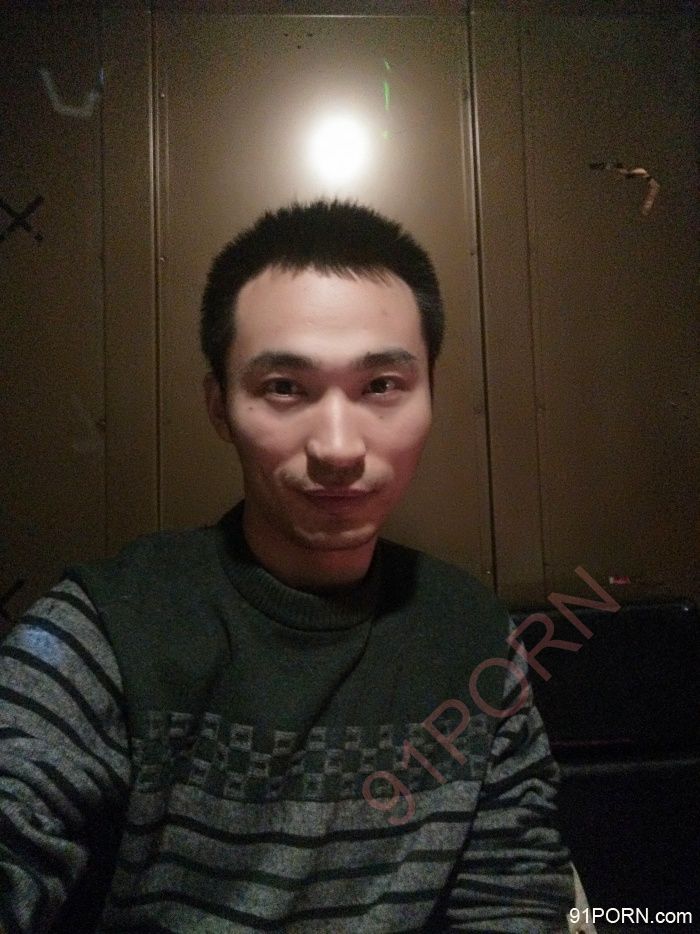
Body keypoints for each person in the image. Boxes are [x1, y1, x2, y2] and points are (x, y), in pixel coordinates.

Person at [0, 200, 574, 932]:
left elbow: (517, 896)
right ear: (219, 406)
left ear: (432, 394)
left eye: (381, 386)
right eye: (284, 388)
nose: (337, 447)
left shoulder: (473, 636)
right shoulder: (106, 631)